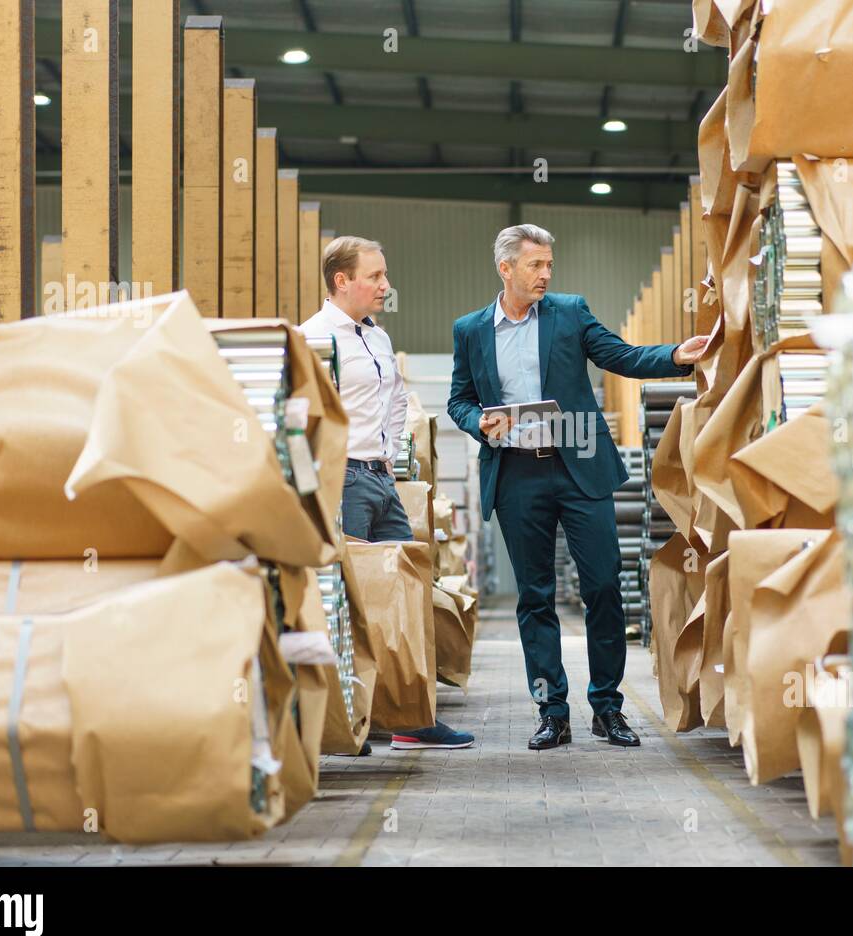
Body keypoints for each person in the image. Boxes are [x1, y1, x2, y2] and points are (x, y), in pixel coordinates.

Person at [447, 225, 710, 750]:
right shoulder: (471, 330)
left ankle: (607, 708)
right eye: (535, 265)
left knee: (603, 587)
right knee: (536, 597)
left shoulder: (569, 312)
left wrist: (677, 355)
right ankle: (552, 711)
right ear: (506, 269)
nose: (546, 274)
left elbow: (619, 356)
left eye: (549, 264)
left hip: (578, 469)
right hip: (517, 473)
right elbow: (460, 398)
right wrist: (478, 422)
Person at [301, 235, 474, 752]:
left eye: (384, 274)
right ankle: (344, 720)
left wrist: (392, 454)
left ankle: (409, 719)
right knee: (346, 604)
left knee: (407, 593)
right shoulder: (312, 339)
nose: (385, 285)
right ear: (342, 281)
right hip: (343, 483)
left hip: (380, 479)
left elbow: (398, 401)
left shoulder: (376, 338)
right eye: (375, 276)